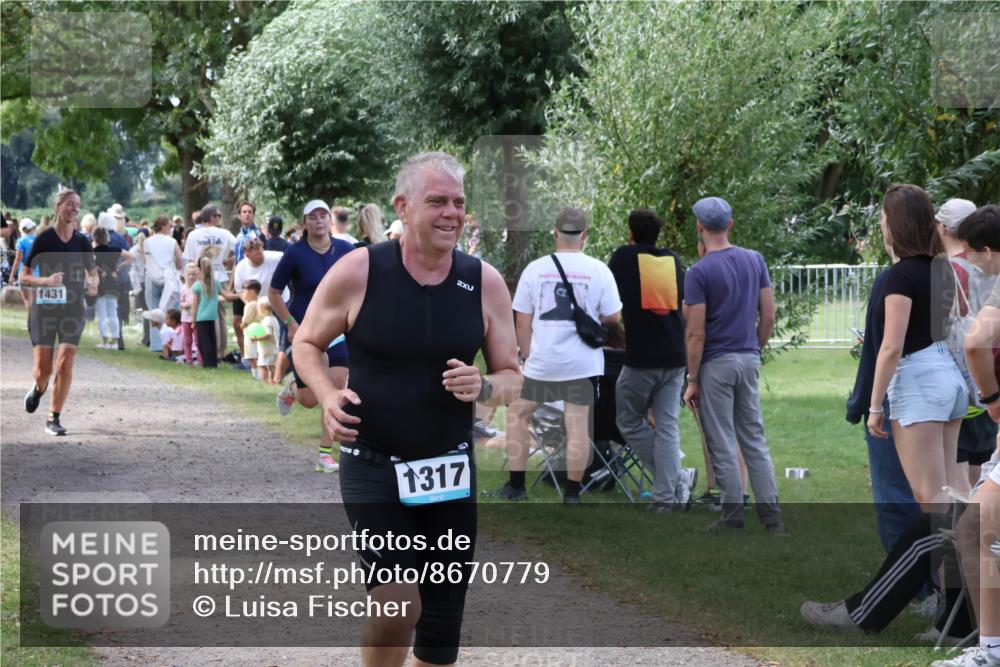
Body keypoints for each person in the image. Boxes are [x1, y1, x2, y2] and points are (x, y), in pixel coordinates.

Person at [292, 151, 521, 667]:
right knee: (397, 604)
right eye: (436, 201)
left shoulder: (484, 282)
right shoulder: (361, 270)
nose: (451, 213)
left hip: (448, 471)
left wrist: (484, 384)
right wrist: (328, 397)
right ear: (403, 205)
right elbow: (306, 344)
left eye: (459, 203)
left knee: (441, 633)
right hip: (375, 463)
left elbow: (511, 376)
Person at [496, 207, 622, 504]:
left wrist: (526, 356)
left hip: (544, 364)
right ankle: (573, 494)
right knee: (577, 423)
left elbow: (522, 321)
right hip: (583, 363)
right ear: (584, 236)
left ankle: (516, 486)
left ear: (555, 234)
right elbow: (613, 317)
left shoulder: (535, 269)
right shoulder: (599, 270)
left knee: (518, 414)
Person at [682, 196, 787, 534]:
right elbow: (768, 315)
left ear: (700, 227)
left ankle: (732, 516)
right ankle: (773, 519)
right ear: (730, 224)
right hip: (748, 358)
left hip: (716, 364)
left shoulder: (698, 273)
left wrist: (692, 378)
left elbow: (696, 333)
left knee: (723, 440)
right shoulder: (755, 260)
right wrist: (753, 348)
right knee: (754, 438)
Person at [867, 184, 968, 510]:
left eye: (883, 216)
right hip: (948, 378)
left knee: (931, 498)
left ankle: (949, 561)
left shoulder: (900, 277)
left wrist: (875, 407)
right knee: (952, 489)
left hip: (919, 381)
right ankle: (969, 560)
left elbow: (891, 348)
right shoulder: (942, 270)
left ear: (894, 223)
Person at [608, 208, 696, 512]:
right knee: (668, 426)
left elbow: (609, 299)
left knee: (628, 421)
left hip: (642, 357)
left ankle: (672, 482)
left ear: (631, 234)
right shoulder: (673, 261)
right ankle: (666, 497)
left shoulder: (623, 257)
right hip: (675, 355)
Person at [269, 199, 355, 473]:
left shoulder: (345, 249)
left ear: (329, 219)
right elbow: (273, 293)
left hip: (338, 330)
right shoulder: (295, 253)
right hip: (306, 331)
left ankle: (325, 454)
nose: (318, 221)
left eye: (323, 216)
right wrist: (290, 324)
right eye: (312, 217)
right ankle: (292, 390)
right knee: (310, 399)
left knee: (337, 386)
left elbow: (361, 282)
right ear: (304, 222)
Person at [20, 189, 98, 436]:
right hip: (44, 310)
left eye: (77, 205)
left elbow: (93, 273)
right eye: (70, 204)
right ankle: (39, 388)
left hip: (73, 310)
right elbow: (24, 275)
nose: (75, 209)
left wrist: (93, 283)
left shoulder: (83, 241)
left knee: (64, 363)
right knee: (43, 370)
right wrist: (45, 281)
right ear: (58, 206)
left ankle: (53, 418)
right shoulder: (43, 239)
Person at [938, 198, 998, 487]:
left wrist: (992, 398)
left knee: (965, 473)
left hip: (971, 387)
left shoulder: (949, 269)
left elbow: (969, 341)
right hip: (987, 382)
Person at [182, 205, 236, 361]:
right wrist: (228, 260)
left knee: (204, 314)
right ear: (212, 217)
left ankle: (209, 351)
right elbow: (239, 247)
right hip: (219, 275)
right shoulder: (224, 233)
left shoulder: (193, 235)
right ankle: (221, 350)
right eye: (218, 215)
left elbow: (190, 259)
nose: (219, 218)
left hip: (201, 275)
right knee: (220, 315)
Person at [230, 235, 282, 365]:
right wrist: (252, 307)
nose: (261, 254)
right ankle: (251, 359)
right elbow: (241, 292)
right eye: (256, 252)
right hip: (257, 305)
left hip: (278, 300)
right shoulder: (241, 268)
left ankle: (278, 359)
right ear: (247, 254)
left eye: (261, 250)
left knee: (276, 331)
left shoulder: (275, 257)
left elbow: (292, 258)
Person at [144, 215, 183, 352]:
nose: (171, 228)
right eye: (170, 226)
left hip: (151, 276)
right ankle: (169, 341)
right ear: (164, 226)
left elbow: (145, 259)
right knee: (169, 310)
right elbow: (179, 261)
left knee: (153, 309)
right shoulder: (172, 242)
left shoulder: (147, 241)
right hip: (168, 277)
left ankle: (155, 344)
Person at [190, 255, 237, 369]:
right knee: (212, 340)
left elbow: (195, 305)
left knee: (203, 342)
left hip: (201, 317)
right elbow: (227, 296)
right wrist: (240, 295)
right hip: (212, 316)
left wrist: (193, 320)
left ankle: (208, 364)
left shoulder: (197, 285)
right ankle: (214, 363)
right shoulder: (215, 283)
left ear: (199, 269)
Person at [92, 226, 132, 350]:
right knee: (113, 312)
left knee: (102, 313)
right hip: (113, 283)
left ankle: (104, 340)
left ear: (95, 238)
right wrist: (118, 267)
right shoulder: (114, 249)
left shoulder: (93, 251)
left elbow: (89, 265)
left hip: (100, 282)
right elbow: (131, 257)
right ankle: (115, 341)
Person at [11, 218, 37, 307]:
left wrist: (11, 276)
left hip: (24, 274)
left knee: (28, 300)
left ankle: (31, 318)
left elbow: (18, 259)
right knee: (36, 299)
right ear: (33, 227)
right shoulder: (39, 240)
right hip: (38, 274)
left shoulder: (21, 241)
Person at [253, 300, 280, 383]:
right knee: (268, 365)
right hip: (271, 348)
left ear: (263, 310)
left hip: (268, 349)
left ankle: (273, 380)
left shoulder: (267, 321)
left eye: (259, 309)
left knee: (269, 366)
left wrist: (256, 338)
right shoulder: (274, 319)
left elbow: (268, 334)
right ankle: (271, 379)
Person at [179, 262, 199, 365]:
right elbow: (181, 302)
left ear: (197, 275)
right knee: (187, 339)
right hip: (186, 318)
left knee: (198, 340)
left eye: (194, 274)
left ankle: (200, 360)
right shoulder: (183, 288)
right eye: (189, 274)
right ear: (185, 275)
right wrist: (185, 305)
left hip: (196, 318)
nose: (191, 277)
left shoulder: (199, 288)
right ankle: (188, 359)